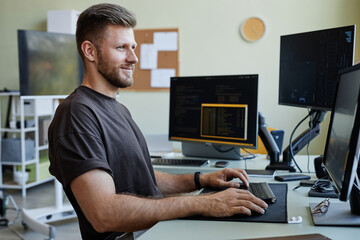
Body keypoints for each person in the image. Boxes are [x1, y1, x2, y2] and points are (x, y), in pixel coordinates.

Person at [48, 3, 268, 240]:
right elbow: (104, 214)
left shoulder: (117, 109)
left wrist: (200, 180)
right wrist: (202, 203)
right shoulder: (76, 115)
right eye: (121, 48)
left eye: (133, 47)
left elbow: (141, 177)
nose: (133, 58)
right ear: (89, 51)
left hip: (153, 229)